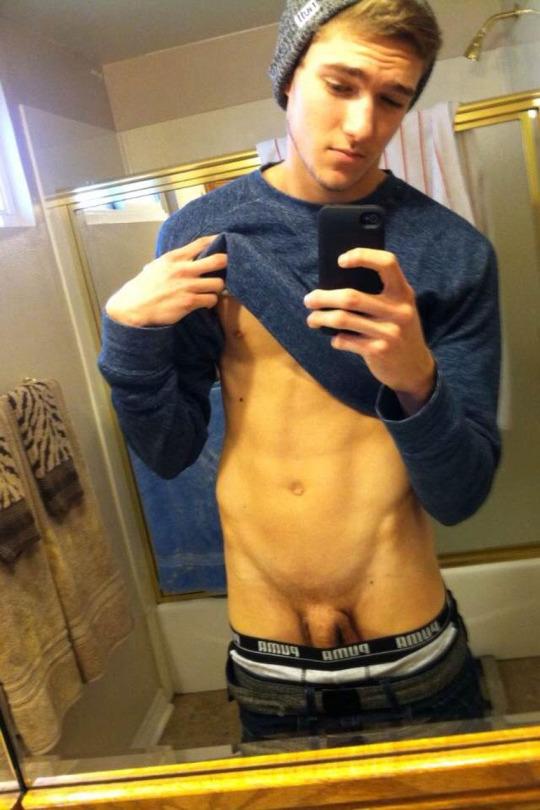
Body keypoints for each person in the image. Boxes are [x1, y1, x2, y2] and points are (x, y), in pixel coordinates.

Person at [98, 0, 501, 744]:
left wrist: (414, 379)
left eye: (392, 99)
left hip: (412, 653)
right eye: (340, 85)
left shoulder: (453, 252)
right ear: (289, 78)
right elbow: (168, 450)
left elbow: (461, 496)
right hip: (271, 661)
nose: (362, 125)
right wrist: (128, 338)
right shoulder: (202, 234)